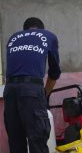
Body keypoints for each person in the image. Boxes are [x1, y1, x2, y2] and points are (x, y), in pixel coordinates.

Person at [4, 17, 61, 153]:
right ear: (42, 28)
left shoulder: (13, 38)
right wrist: (44, 95)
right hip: (32, 90)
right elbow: (54, 73)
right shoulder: (49, 35)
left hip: (10, 90)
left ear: (24, 30)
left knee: (16, 141)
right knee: (38, 141)